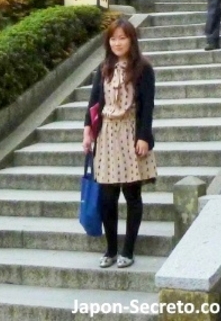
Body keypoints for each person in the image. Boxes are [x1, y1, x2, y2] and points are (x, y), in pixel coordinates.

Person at [82, 19, 156, 269]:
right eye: (113, 38)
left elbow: (147, 107)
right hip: (106, 135)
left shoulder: (143, 68)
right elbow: (93, 104)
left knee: (132, 193)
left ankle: (128, 250)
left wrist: (144, 137)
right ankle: (111, 249)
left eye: (122, 38)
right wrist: (87, 134)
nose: (117, 43)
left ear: (131, 40)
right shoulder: (104, 68)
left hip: (131, 133)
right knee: (106, 196)